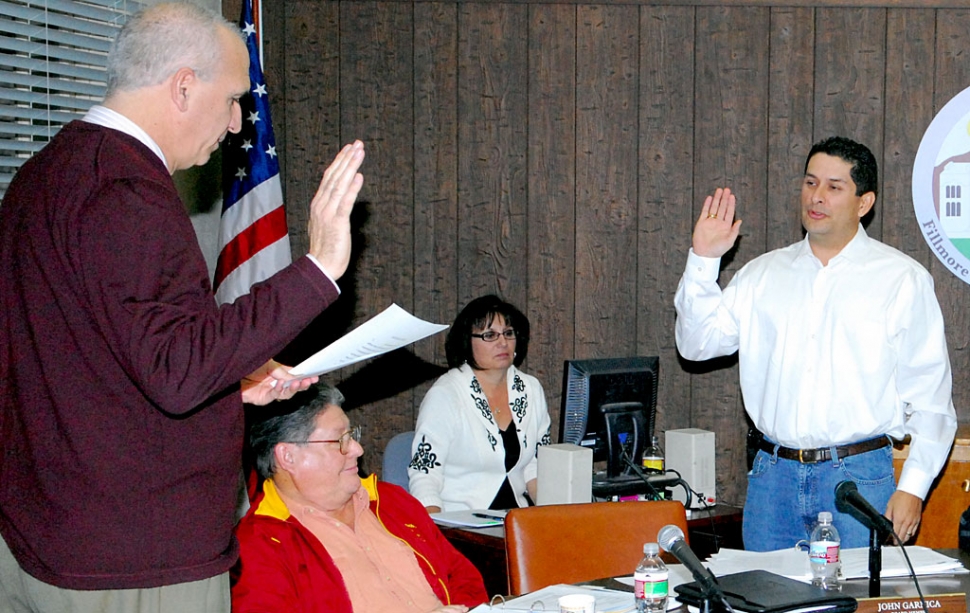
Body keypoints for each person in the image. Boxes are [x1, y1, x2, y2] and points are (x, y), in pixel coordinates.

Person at [0, 3, 365, 611]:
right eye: (231, 99)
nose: (233, 123)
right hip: (133, 560)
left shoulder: (45, 173)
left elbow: (95, 357)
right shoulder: (125, 192)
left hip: (46, 534)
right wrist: (317, 269)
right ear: (183, 86)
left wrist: (233, 385)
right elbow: (177, 370)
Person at [674, 136, 957, 551]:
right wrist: (703, 260)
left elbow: (932, 400)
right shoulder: (762, 274)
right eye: (810, 182)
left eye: (834, 186)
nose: (816, 197)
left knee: (858, 603)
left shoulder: (901, 280)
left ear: (864, 203)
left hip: (858, 480)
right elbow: (696, 345)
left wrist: (913, 487)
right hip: (774, 478)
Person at [232, 384, 487, 612]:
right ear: (288, 456)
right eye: (340, 440)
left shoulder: (392, 502)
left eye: (352, 435)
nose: (357, 449)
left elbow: (462, 576)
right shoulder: (260, 545)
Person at [408, 295, 552, 512]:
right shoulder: (446, 394)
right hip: (460, 523)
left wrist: (553, 517)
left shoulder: (530, 389)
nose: (502, 342)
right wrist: (435, 533)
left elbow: (535, 465)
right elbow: (425, 474)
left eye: (508, 333)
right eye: (490, 335)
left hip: (516, 521)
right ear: (467, 342)